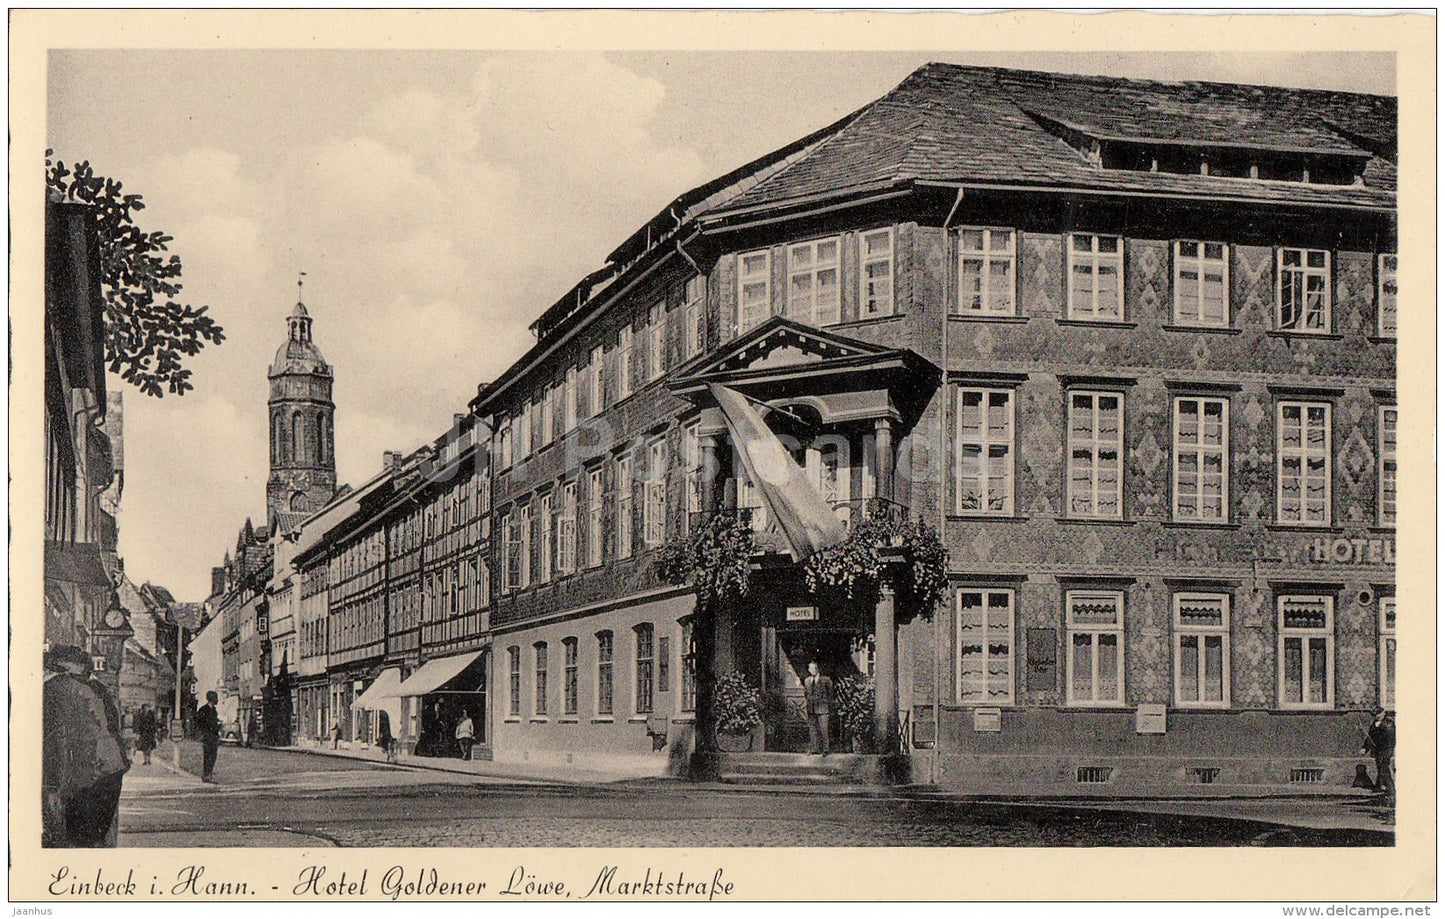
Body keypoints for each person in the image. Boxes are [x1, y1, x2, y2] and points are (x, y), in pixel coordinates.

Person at [42, 646, 130, 847]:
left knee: (72, 842)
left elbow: (58, 742)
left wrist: (54, 788)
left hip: (85, 775)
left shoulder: (57, 688)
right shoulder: (98, 689)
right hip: (109, 771)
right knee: (95, 841)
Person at [803, 660, 835, 756]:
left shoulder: (826, 680)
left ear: (817, 669)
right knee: (812, 729)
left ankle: (825, 749)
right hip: (811, 709)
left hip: (823, 709)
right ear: (809, 670)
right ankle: (814, 748)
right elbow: (806, 694)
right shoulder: (807, 681)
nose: (813, 670)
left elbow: (831, 694)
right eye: (811, 668)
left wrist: (827, 706)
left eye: (814, 668)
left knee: (824, 729)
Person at [1364, 708, 1395, 793]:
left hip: (1386, 750)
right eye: (1374, 715)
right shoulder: (1374, 724)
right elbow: (1370, 737)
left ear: (1383, 713)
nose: (1376, 716)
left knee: (1384, 767)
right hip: (1377, 750)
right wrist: (1365, 748)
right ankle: (1380, 786)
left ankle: (1390, 787)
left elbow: (1390, 740)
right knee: (1380, 767)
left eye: (1378, 714)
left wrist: (1388, 751)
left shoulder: (1389, 724)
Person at [195, 691, 222, 783]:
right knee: (208, 756)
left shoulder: (213, 710)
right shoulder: (204, 710)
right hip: (208, 735)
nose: (217, 700)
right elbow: (199, 722)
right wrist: (204, 731)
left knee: (213, 756)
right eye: (216, 698)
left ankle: (209, 775)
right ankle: (206, 776)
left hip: (214, 736)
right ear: (212, 699)